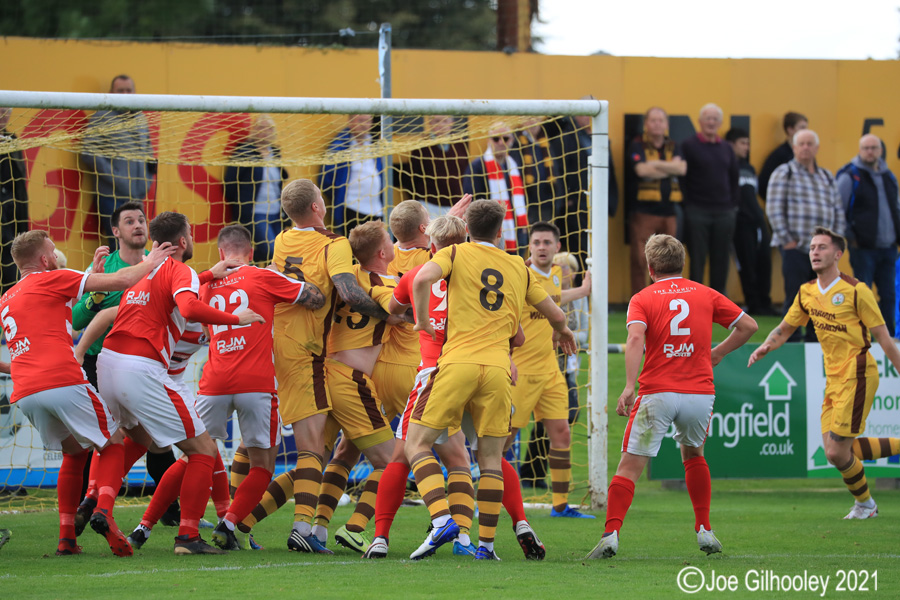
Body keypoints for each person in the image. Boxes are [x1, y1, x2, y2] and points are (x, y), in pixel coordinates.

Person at [404, 199, 576, 561]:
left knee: (416, 445)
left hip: (457, 364)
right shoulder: (518, 265)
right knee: (492, 461)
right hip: (500, 370)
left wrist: (420, 320)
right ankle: (487, 546)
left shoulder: (456, 254)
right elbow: (556, 313)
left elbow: (421, 278)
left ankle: (440, 519)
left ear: (466, 228)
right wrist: (563, 332)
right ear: (501, 232)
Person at [236, 179, 392, 553]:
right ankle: (330, 528)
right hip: (317, 359)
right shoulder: (341, 251)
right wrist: (395, 312)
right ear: (318, 205)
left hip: (291, 350)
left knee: (324, 457)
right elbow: (348, 291)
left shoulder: (282, 241)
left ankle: (245, 522)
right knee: (389, 460)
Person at [96, 211, 264, 555]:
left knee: (128, 442)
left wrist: (80, 348)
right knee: (201, 451)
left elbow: (110, 312)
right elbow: (187, 305)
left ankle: (96, 506)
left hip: (109, 364)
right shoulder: (181, 273)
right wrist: (236, 318)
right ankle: (188, 535)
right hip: (148, 371)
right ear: (184, 241)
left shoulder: (142, 272)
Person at [0, 229, 177, 556]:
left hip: (25, 392)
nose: (55, 257)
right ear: (43, 259)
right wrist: (151, 260)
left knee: (74, 453)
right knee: (111, 442)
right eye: (52, 252)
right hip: (62, 379)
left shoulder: (7, 298)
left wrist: (87, 278)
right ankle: (103, 512)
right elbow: (123, 280)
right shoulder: (50, 279)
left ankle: (67, 538)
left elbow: (63, 308)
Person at [587, 234, 757, 559]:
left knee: (629, 466)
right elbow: (748, 326)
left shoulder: (643, 298)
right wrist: (717, 354)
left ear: (650, 267)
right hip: (699, 395)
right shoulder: (705, 293)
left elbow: (636, 337)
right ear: (683, 264)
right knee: (694, 455)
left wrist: (627, 385)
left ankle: (611, 534)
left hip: (658, 394)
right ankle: (705, 529)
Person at [749, 227, 900, 519]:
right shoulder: (807, 292)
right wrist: (767, 346)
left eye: (822, 247)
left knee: (836, 452)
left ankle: (866, 505)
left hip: (858, 374)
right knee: (836, 451)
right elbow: (786, 327)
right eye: (812, 248)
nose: (815, 252)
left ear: (838, 254)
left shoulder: (857, 291)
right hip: (832, 380)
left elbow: (884, 338)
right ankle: (865, 505)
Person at [366, 214, 483, 560]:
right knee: (471, 459)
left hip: (433, 373)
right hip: (479, 371)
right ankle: (473, 540)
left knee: (403, 453)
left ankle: (387, 535)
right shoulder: (482, 277)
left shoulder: (418, 275)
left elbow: (392, 308)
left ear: (431, 245)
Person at [509, 222, 592, 518]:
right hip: (520, 372)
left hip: (550, 372)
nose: (542, 247)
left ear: (557, 248)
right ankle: (486, 499)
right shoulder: (519, 276)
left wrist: (583, 289)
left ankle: (560, 505)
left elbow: (555, 298)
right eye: (537, 242)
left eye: (547, 242)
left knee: (562, 434)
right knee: (504, 439)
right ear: (529, 247)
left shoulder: (557, 275)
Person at [766, 129, 845, 342]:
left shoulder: (827, 176)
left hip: (825, 252)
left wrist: (835, 243)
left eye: (810, 143)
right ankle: (790, 343)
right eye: (801, 144)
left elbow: (838, 210)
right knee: (795, 297)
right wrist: (787, 240)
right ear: (794, 148)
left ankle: (816, 341)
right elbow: (774, 208)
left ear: (817, 148)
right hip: (796, 247)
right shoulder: (784, 172)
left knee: (821, 298)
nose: (806, 147)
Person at [836, 134, 900, 335]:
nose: (870, 151)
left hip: (888, 247)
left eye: (874, 148)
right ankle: (861, 335)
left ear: (881, 150)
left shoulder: (889, 176)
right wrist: (851, 237)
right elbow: (839, 209)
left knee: (889, 295)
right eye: (866, 148)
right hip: (863, 248)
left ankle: (888, 337)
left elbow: (895, 208)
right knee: (862, 295)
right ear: (859, 150)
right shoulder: (850, 175)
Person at [79, 75, 155, 241]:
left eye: (129, 90)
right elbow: (88, 152)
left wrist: (146, 181)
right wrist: (116, 177)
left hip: (137, 196)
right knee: (117, 246)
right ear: (111, 92)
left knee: (136, 246)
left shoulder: (141, 118)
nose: (125, 94)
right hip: (112, 196)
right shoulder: (102, 117)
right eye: (121, 90)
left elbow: (148, 150)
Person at [624, 106, 686, 296]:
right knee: (640, 258)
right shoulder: (637, 144)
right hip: (643, 211)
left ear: (667, 124)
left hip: (669, 212)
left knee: (670, 258)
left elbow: (682, 169)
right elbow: (641, 171)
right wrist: (670, 167)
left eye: (661, 120)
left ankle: (666, 297)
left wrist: (655, 165)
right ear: (646, 124)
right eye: (653, 120)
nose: (657, 124)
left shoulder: (674, 145)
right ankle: (639, 298)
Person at [679, 103, 739, 294]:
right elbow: (682, 179)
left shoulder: (727, 149)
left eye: (715, 119)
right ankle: (696, 298)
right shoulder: (688, 146)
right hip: (697, 211)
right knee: (697, 259)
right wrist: (688, 205)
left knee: (721, 259)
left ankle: (718, 300)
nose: (711, 122)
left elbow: (734, 178)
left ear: (720, 123)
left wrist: (732, 208)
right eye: (708, 118)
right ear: (700, 121)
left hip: (724, 212)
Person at [223, 115, 290, 264]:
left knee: (279, 253)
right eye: (260, 127)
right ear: (254, 130)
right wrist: (241, 206)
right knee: (270, 250)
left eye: (268, 128)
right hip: (256, 213)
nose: (264, 131)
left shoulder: (275, 153)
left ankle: (263, 278)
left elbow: (279, 184)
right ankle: (249, 263)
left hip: (276, 213)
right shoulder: (244, 151)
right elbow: (230, 182)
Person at [726, 127, 774, 315]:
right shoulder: (728, 167)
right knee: (746, 263)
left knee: (764, 262)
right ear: (731, 145)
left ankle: (765, 301)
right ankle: (753, 303)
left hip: (758, 221)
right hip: (739, 223)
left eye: (748, 143)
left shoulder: (749, 168)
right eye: (742, 143)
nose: (747, 147)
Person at [463, 123, 529, 254]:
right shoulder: (477, 167)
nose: (501, 143)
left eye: (505, 139)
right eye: (496, 139)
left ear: (512, 141)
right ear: (489, 140)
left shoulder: (515, 165)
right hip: (488, 231)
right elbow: (472, 202)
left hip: (516, 230)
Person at [320, 114, 384, 237]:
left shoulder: (374, 144)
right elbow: (326, 179)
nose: (364, 125)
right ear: (350, 122)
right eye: (360, 121)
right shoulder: (340, 145)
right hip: (351, 208)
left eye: (367, 121)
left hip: (376, 208)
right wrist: (338, 197)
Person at [398, 115, 469, 218]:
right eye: (437, 121)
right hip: (430, 206)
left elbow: (465, 174)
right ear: (430, 123)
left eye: (444, 121)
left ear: (451, 123)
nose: (441, 125)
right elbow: (410, 178)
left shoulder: (459, 145)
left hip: (455, 205)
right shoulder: (422, 147)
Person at [510, 118, 560, 225]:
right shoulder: (515, 143)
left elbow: (557, 172)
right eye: (529, 118)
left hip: (547, 203)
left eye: (536, 119)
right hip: (526, 204)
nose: (533, 123)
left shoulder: (546, 142)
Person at [1, 107, 29, 296]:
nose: (2, 115)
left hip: (10, 211)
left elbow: (19, 182)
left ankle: (7, 308)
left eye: (5, 111)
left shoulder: (12, 139)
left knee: (10, 262)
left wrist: (22, 218)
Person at [758, 111, 808, 202]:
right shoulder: (779, 155)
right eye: (802, 128)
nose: (805, 132)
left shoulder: (807, 156)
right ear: (790, 129)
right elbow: (763, 185)